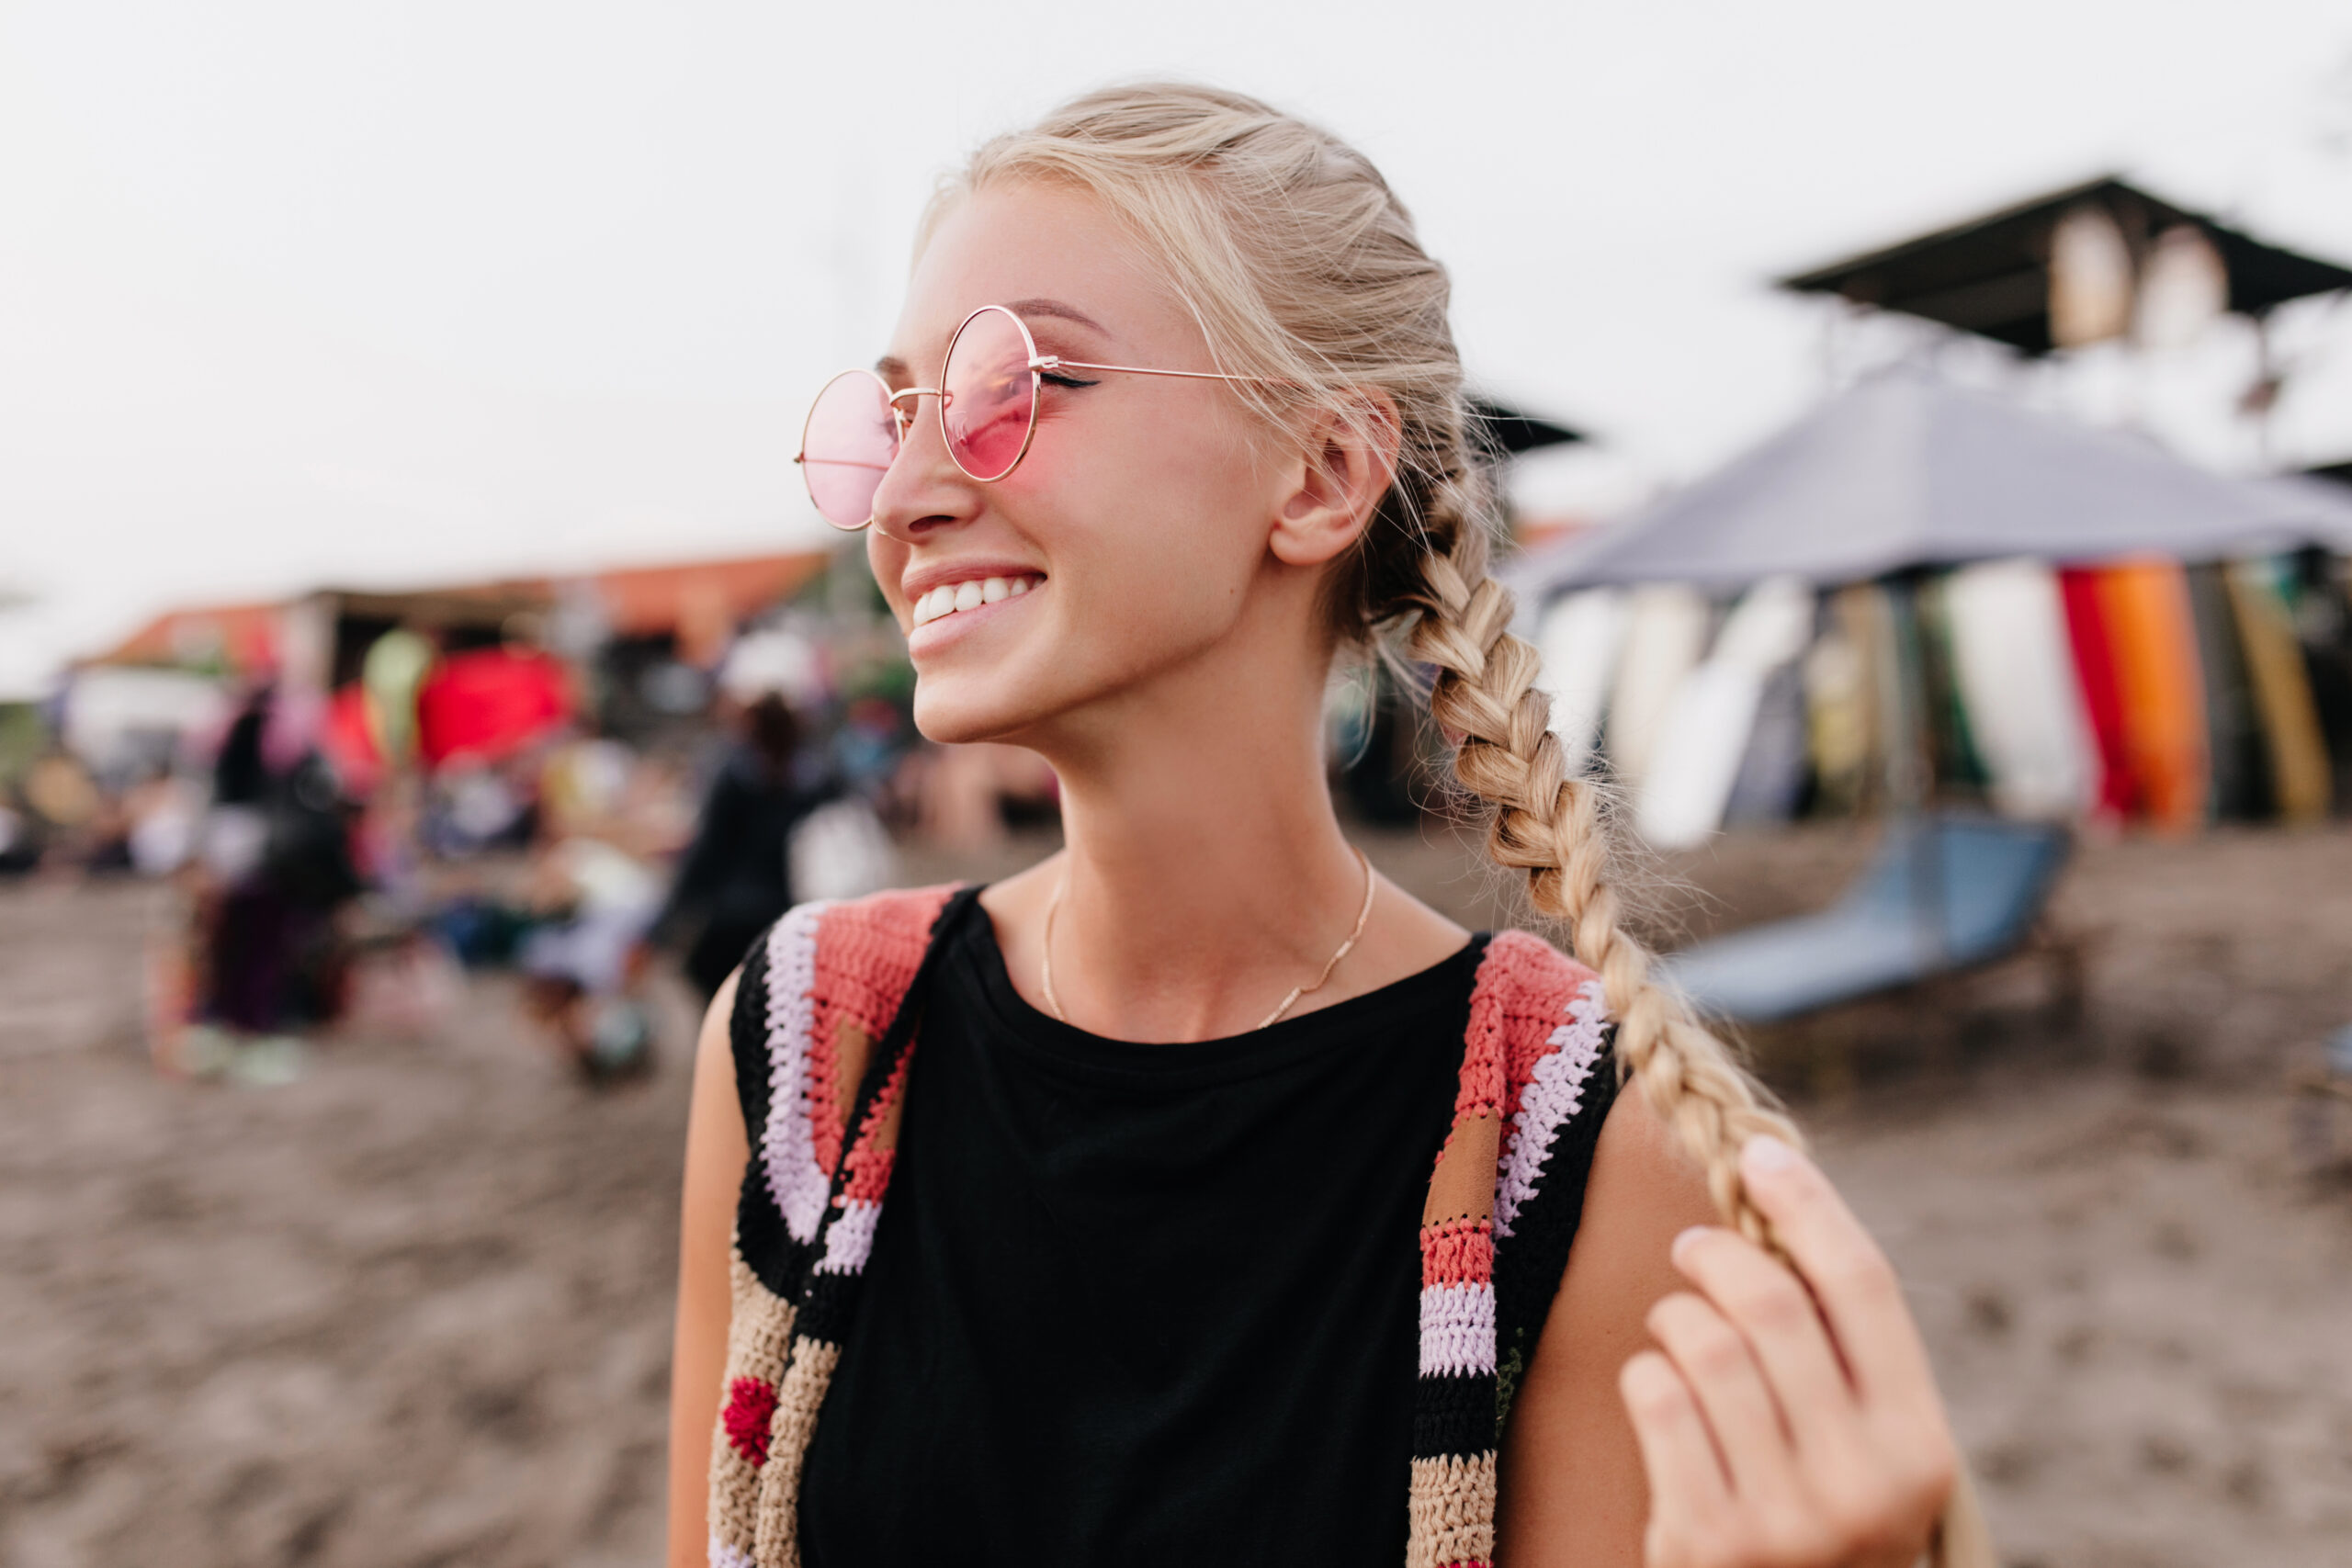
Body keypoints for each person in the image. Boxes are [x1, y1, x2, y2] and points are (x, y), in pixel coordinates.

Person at [669, 85, 1974, 1568]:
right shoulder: (808, 1042)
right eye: (894, 412)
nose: (901, 497)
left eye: (1014, 383)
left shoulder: (1573, 1141)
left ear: (1321, 471)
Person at [655, 692, 833, 1004]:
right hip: (788, 915)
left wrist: (667, 919)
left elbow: (705, 852)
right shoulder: (817, 780)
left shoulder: (734, 778)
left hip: (731, 918)